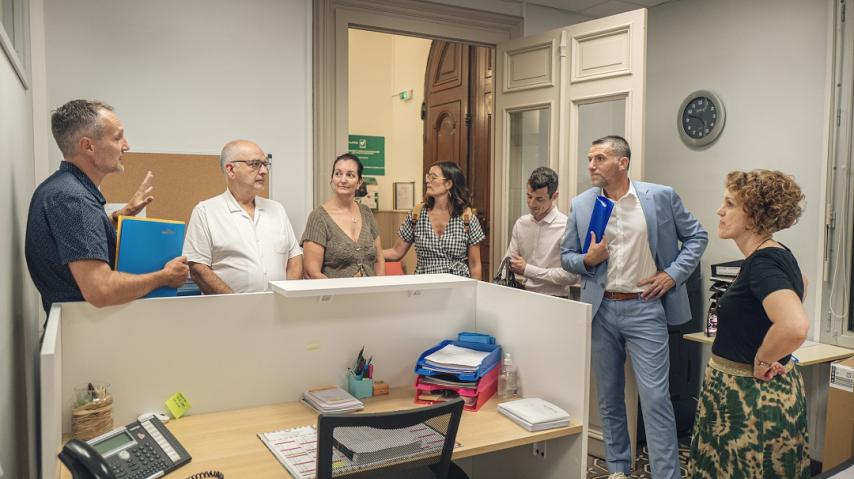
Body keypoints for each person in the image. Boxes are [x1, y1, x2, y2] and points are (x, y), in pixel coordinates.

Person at [561, 135, 708, 479]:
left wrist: (672, 275)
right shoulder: (582, 204)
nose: (591, 165)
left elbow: (698, 236)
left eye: (598, 158)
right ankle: (617, 469)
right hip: (601, 311)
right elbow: (567, 257)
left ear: (622, 162)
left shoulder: (659, 197)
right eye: (590, 158)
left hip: (646, 308)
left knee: (656, 398)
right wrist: (587, 258)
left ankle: (665, 474)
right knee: (609, 399)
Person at [688, 170, 810, 479]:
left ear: (753, 216)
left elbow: (794, 325)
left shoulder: (762, 262)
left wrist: (763, 359)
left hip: (749, 401)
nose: (720, 211)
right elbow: (802, 286)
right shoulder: (778, 254)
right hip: (759, 396)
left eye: (729, 203)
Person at [25, 100, 189, 312]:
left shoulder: (61, 189)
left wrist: (121, 215)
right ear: (88, 146)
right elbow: (100, 290)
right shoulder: (73, 199)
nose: (126, 146)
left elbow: (73, 240)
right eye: (118, 137)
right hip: (87, 331)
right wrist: (164, 277)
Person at [183, 140, 303, 294]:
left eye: (265, 164)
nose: (264, 171)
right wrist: (236, 304)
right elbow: (198, 267)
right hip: (229, 313)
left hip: (277, 309)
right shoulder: (206, 211)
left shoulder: (277, 209)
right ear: (231, 170)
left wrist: (287, 296)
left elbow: (294, 257)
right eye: (255, 164)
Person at [383, 161, 485, 279]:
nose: (427, 180)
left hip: (457, 288)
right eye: (428, 176)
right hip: (425, 286)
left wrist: (474, 294)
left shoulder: (467, 218)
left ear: (448, 184)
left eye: (433, 177)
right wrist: (366, 253)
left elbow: (475, 265)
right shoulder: (417, 214)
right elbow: (396, 252)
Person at [302, 153, 384, 278]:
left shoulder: (366, 213)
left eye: (350, 175)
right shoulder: (318, 217)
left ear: (359, 182)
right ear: (332, 178)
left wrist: (379, 287)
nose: (343, 180)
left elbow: (379, 260)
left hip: (370, 294)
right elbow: (312, 272)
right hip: (335, 295)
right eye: (338, 174)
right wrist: (338, 294)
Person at [506, 166, 578, 298]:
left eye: (539, 199)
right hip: (524, 296)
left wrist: (528, 270)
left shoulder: (566, 227)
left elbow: (571, 276)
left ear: (554, 196)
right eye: (529, 196)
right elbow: (509, 263)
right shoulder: (521, 224)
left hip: (556, 300)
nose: (532, 204)